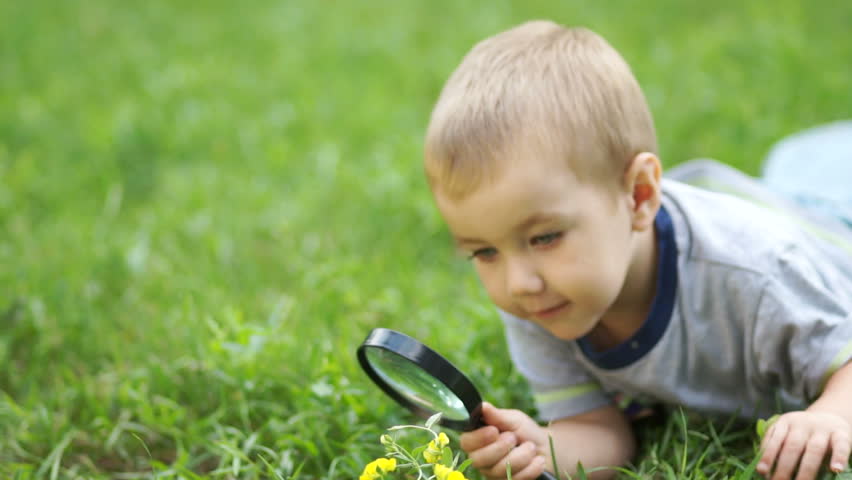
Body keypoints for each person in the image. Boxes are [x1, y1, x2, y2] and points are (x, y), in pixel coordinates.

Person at [421, 20, 852, 480]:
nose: (518, 283)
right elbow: (599, 431)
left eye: (545, 237)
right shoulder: (541, 300)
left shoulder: (755, 271)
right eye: (484, 252)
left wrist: (831, 415)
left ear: (640, 196)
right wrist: (539, 450)